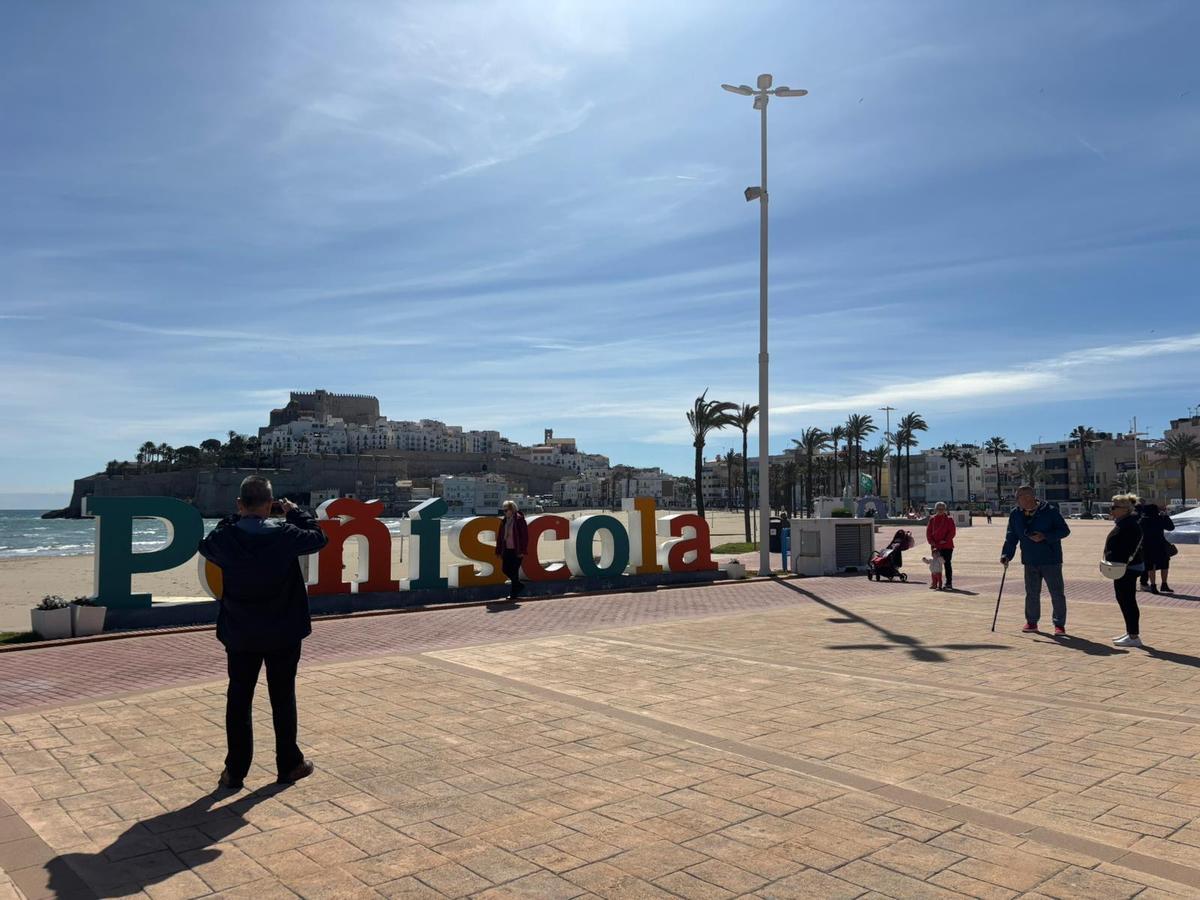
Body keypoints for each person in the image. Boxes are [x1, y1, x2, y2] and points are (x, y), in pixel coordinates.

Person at [197, 475, 328, 791]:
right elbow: (319, 537)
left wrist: (235, 517)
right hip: (284, 630)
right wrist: (295, 511)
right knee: (282, 697)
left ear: (240, 504)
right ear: (271, 505)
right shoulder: (285, 534)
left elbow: (206, 545)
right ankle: (289, 764)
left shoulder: (226, 539)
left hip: (241, 631)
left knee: (239, 699)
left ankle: (235, 772)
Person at [1001, 485, 1071, 635]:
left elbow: (1064, 530)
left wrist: (1045, 536)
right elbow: (1011, 536)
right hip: (1029, 559)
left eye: (1027, 497)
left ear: (1034, 496)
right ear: (1017, 500)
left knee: (1057, 593)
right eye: (1021, 498)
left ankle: (1059, 624)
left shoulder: (1050, 511)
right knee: (1031, 593)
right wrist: (1006, 555)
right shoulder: (1015, 514)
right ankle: (1031, 622)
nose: (1025, 500)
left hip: (1051, 559)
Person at [1106, 493, 1146, 647]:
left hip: (1127, 567)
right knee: (1124, 599)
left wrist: (1112, 558)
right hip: (1125, 566)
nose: (1111, 509)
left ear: (1124, 509)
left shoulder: (1129, 524)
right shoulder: (1125, 522)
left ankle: (1134, 636)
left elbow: (1125, 548)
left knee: (1127, 600)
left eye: (1114, 507)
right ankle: (1131, 633)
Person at [494, 499, 529, 600]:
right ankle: (519, 585)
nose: (504, 512)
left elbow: (524, 537)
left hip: (517, 550)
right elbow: (500, 537)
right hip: (507, 550)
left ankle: (514, 594)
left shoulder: (519, 520)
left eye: (506, 510)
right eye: (503, 510)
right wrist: (498, 550)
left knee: (514, 572)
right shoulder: (504, 521)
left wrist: (522, 550)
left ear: (512, 509)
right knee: (505, 569)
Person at [1138, 503, 1176, 594]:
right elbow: (1171, 527)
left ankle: (1153, 586)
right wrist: (1166, 516)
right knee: (1164, 564)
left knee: (1150, 566)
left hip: (1147, 546)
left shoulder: (1142, 521)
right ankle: (1164, 584)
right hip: (1160, 544)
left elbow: (1137, 533)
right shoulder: (1160, 519)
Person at [926, 502, 957, 589]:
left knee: (947, 564)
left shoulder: (949, 519)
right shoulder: (932, 519)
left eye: (942, 509)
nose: (940, 510)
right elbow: (928, 532)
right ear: (936, 509)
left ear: (945, 510)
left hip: (947, 546)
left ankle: (948, 583)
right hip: (935, 546)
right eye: (939, 509)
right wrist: (931, 541)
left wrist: (945, 540)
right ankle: (935, 582)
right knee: (935, 565)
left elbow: (952, 532)